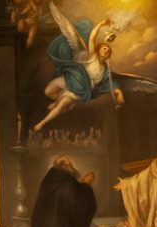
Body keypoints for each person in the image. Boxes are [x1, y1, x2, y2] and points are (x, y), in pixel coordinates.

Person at [33, 4, 124, 132]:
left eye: (107, 50)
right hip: (73, 76)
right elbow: (92, 36)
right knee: (48, 91)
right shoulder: (92, 57)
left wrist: (119, 94)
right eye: (104, 48)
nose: (105, 50)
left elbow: (112, 85)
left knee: (60, 105)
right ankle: (63, 103)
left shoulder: (105, 71)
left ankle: (41, 124)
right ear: (98, 50)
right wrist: (102, 24)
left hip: (81, 88)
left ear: (109, 54)